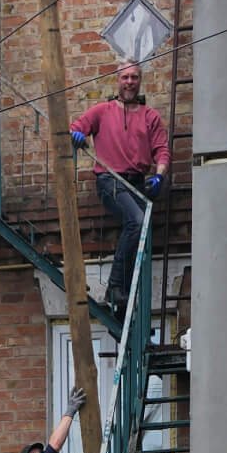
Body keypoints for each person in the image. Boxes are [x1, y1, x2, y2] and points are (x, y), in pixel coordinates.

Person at [70, 63, 170, 317]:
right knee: (136, 223)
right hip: (109, 180)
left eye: (134, 77)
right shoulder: (102, 111)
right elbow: (74, 128)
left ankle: (123, 298)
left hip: (136, 182)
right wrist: (77, 136)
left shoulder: (150, 117)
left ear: (140, 81)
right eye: (125, 77)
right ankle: (115, 287)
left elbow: (162, 151)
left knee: (139, 231)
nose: (129, 82)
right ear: (118, 80)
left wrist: (158, 177)